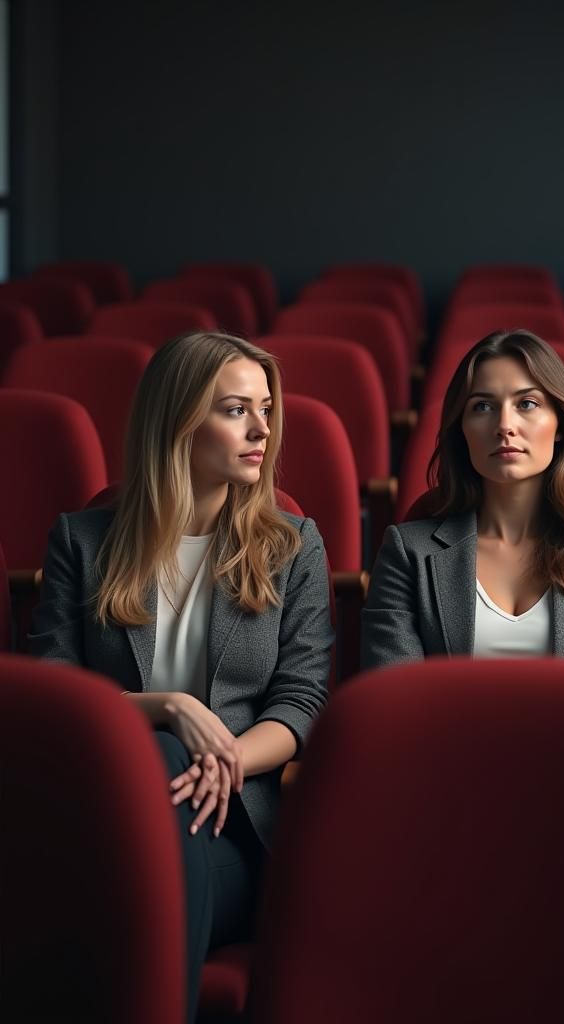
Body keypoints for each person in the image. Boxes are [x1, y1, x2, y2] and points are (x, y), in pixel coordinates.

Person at [30, 331, 333, 1023]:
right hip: (100, 806)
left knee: (127, 884)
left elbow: (303, 701)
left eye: (265, 408)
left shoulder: (293, 546)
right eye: (234, 410)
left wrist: (220, 756)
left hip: (234, 824)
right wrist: (166, 708)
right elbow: (55, 689)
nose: (261, 429)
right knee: (159, 755)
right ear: (178, 418)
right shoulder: (82, 541)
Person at [362, 330, 564, 670]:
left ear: (560, 423)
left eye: (527, 404)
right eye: (483, 406)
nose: (505, 425)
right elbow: (395, 700)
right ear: (462, 428)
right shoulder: (406, 553)